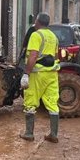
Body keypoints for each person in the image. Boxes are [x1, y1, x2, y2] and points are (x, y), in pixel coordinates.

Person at [19, 12, 60, 143]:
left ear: (37, 22)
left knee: (31, 101)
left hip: (37, 74)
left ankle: (29, 133)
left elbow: (33, 55)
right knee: (52, 102)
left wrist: (26, 73)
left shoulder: (36, 35)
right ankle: (53, 134)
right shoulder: (53, 36)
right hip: (52, 74)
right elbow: (56, 56)